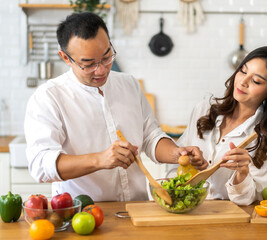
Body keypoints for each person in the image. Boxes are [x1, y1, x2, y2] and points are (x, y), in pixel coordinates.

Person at [24, 12, 207, 202]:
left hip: (137, 209)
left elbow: (150, 136)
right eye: (88, 64)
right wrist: (101, 159)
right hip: (83, 214)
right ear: (65, 57)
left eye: (106, 57)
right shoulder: (49, 97)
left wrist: (176, 153)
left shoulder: (129, 84)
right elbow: (40, 165)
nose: (101, 70)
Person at [177, 46, 267, 205]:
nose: (243, 82)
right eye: (243, 71)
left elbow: (248, 199)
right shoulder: (204, 109)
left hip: (231, 219)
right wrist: (192, 162)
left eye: (256, 80)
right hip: (188, 209)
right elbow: (177, 162)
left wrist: (243, 172)